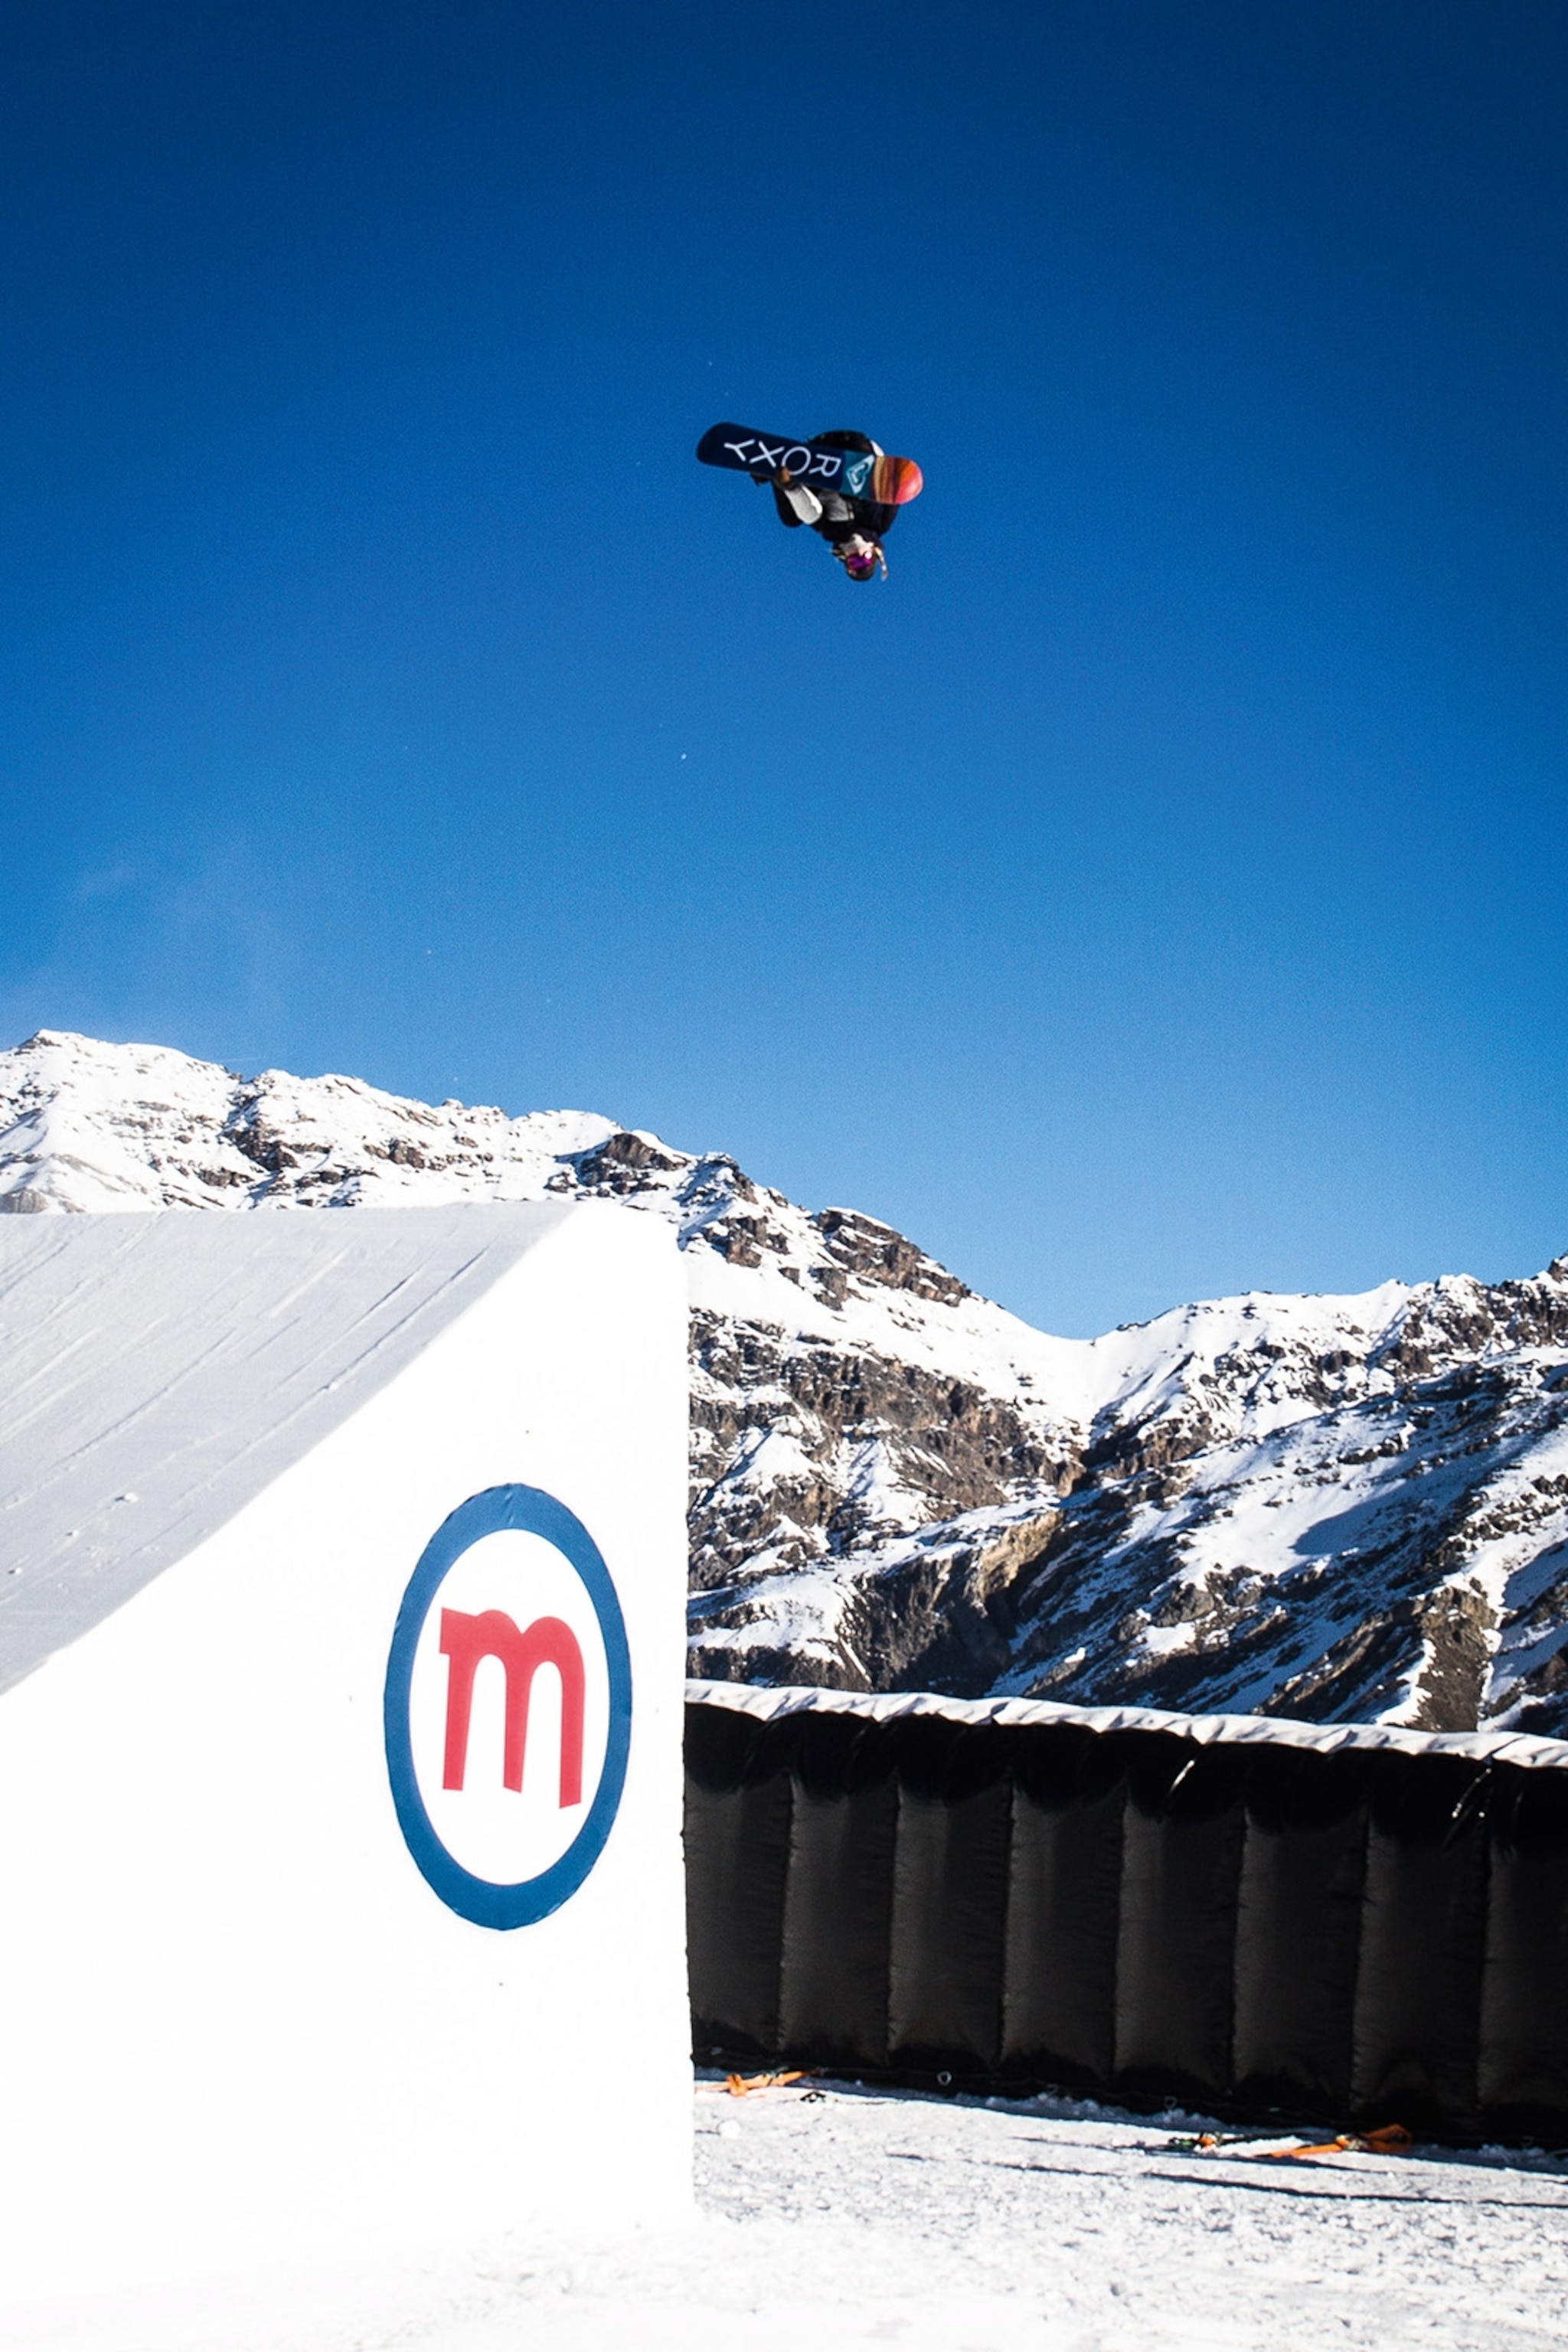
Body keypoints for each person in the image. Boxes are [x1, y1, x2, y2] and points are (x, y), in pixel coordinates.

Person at [756, 428, 897, 581]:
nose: (859, 556)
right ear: (874, 553)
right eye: (866, 559)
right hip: (854, 447)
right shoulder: (879, 525)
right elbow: (895, 495)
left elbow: (810, 513)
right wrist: (886, 466)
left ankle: (782, 477)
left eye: (855, 562)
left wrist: (790, 487)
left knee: (791, 520)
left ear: (845, 560)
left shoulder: (832, 532)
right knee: (859, 499)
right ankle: (856, 472)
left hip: (818, 454)